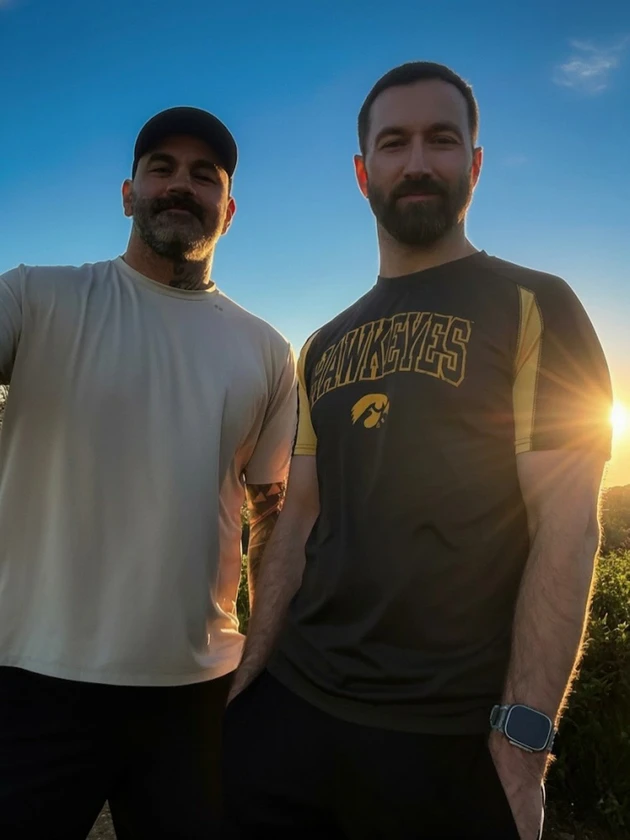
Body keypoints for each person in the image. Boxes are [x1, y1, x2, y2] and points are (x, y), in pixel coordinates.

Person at [223, 62, 613, 840]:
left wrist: (522, 752)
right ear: (363, 172)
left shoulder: (537, 305)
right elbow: (299, 519)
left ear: (475, 163)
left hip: (447, 738)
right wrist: (250, 680)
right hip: (291, 712)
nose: (418, 161)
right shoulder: (324, 343)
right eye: (394, 142)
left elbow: (567, 528)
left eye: (442, 139)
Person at [0, 106, 296, 839]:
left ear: (229, 210)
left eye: (204, 175)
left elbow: (274, 516)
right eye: (161, 168)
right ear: (128, 193)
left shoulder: (266, 351)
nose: (180, 185)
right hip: (30, 680)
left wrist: (260, 661)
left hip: (196, 694)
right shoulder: (35, 298)